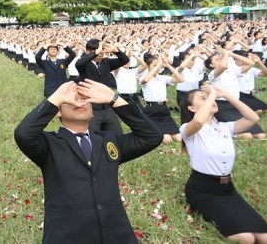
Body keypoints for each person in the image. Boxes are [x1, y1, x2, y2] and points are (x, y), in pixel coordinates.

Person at [14, 79, 163, 244]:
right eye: (71, 99)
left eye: (85, 99)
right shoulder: (49, 144)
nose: (79, 101)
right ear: (58, 111)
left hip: (116, 234)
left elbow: (152, 137)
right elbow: (23, 134)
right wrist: (56, 98)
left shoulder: (109, 140)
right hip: (68, 236)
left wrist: (114, 99)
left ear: (93, 112)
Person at [179, 85, 267, 243]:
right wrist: (211, 95)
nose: (211, 99)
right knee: (246, 238)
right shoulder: (188, 130)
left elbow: (253, 118)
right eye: (202, 98)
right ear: (192, 108)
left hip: (227, 190)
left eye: (211, 97)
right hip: (202, 190)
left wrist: (227, 95)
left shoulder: (225, 128)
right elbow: (197, 121)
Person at [75, 39, 129, 134]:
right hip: (91, 106)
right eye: (96, 50)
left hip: (107, 105)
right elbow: (79, 63)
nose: (100, 53)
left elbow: (125, 60)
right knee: (93, 135)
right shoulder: (84, 64)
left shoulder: (106, 62)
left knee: (117, 133)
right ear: (88, 51)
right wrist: (95, 52)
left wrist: (115, 50)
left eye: (101, 50)